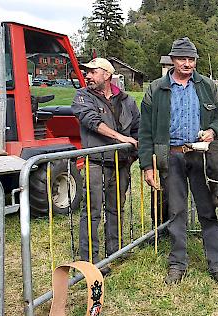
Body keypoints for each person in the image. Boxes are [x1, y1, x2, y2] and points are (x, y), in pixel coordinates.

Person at [138, 37, 218, 288]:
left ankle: (217, 264)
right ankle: (177, 263)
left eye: (191, 59)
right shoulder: (156, 89)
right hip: (172, 157)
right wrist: (147, 165)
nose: (187, 63)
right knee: (176, 211)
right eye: (183, 59)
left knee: (207, 210)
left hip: (201, 156)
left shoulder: (206, 86)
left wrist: (213, 131)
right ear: (173, 60)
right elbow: (145, 130)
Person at [71, 58, 139, 268]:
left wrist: (133, 154)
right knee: (92, 211)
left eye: (93, 72)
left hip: (122, 163)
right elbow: (91, 121)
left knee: (116, 208)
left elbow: (138, 128)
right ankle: (91, 259)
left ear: (107, 75)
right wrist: (121, 138)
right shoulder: (83, 96)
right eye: (87, 72)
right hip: (96, 163)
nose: (88, 76)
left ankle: (115, 251)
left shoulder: (127, 100)